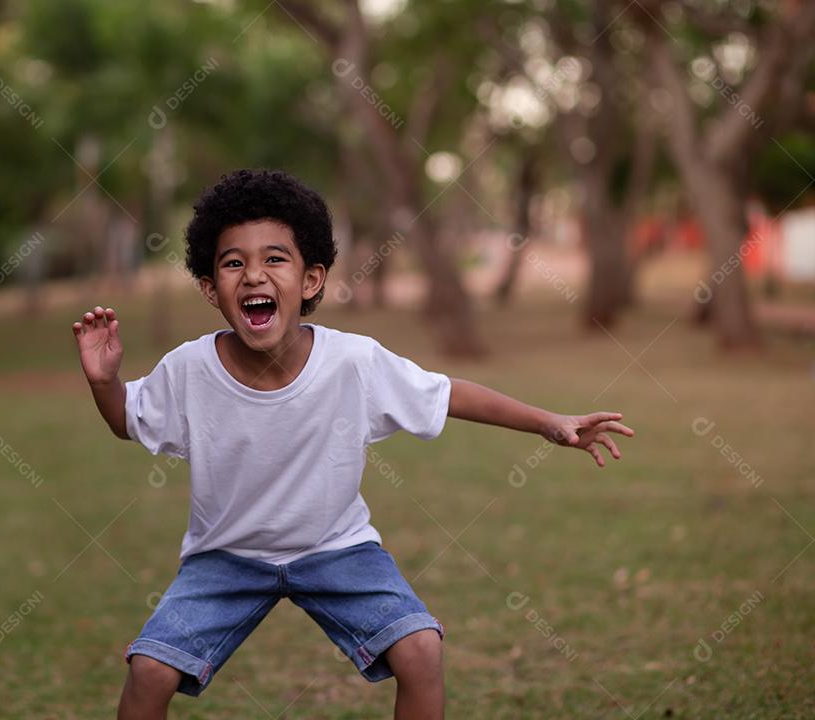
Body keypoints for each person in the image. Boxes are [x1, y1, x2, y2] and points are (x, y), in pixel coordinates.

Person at [71, 169, 634, 720]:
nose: (253, 275)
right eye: (233, 262)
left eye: (274, 258)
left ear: (311, 280)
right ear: (210, 288)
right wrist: (105, 383)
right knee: (149, 671)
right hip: (225, 558)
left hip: (337, 549)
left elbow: (448, 394)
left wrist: (547, 422)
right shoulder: (190, 368)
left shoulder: (353, 361)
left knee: (420, 650)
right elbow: (129, 420)